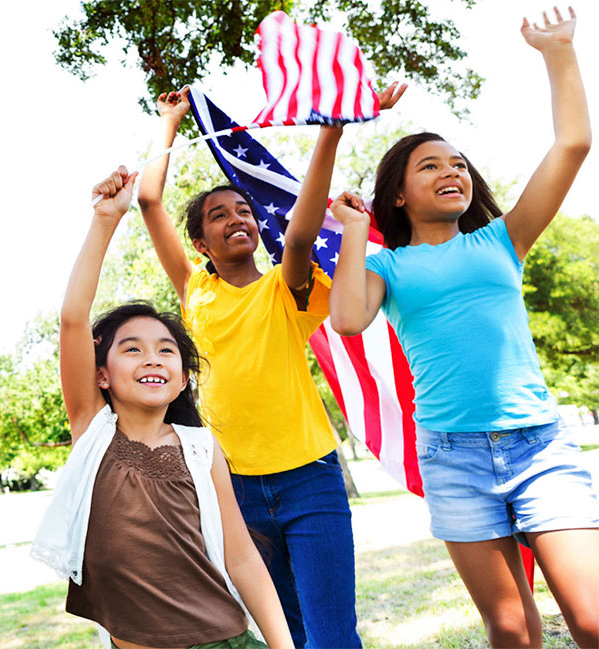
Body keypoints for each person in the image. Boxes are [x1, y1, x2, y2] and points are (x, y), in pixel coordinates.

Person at [329, 8, 598, 648]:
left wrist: (557, 52)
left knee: (590, 619)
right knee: (511, 629)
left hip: (539, 447)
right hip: (453, 456)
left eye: (458, 164)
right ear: (397, 193)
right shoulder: (387, 265)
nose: (452, 171)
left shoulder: (502, 241)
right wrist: (357, 233)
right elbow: (347, 318)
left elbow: (572, 145)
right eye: (430, 165)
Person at [134, 82, 403, 648]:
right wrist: (169, 123)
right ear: (201, 242)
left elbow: (301, 232)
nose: (237, 218)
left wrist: (331, 131)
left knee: (331, 637)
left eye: (244, 210)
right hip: (232, 488)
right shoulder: (194, 290)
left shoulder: (287, 287)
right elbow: (149, 201)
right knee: (288, 634)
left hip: (309, 479)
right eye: (218, 215)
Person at [32, 166, 294, 649]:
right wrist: (106, 221)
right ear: (101, 374)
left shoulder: (200, 447)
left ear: (183, 379)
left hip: (225, 639)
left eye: (166, 349)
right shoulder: (93, 430)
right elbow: (72, 320)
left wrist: (283, 646)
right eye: (131, 348)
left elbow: (242, 558)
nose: (151, 356)